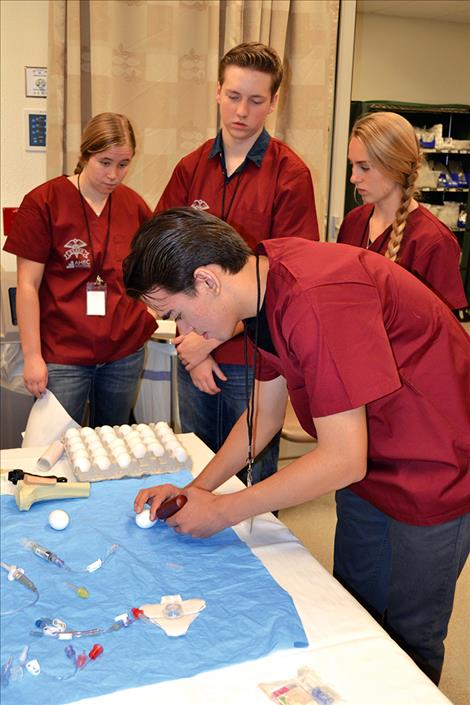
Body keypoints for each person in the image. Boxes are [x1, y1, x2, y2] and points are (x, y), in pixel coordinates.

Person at [125, 207, 470, 686]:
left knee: (410, 638)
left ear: (206, 281)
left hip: (434, 467)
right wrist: (191, 491)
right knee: (355, 613)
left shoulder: (314, 298)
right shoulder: (264, 288)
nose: (184, 331)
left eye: (176, 315)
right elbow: (263, 418)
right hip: (370, 467)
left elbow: (342, 459)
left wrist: (223, 510)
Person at [155, 42, 319, 484]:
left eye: (256, 100)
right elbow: (163, 261)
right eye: (233, 96)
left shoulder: (290, 175)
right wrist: (193, 342)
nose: (242, 111)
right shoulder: (190, 169)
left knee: (252, 480)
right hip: (193, 351)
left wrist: (215, 338)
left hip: (256, 360)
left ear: (275, 102)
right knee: (200, 467)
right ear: (217, 92)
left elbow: (286, 280)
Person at [3, 112, 156, 426]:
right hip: (63, 354)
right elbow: (28, 285)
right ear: (85, 155)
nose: (114, 174)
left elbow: (150, 269)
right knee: (57, 447)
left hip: (122, 352)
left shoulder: (134, 205)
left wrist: (150, 312)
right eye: (104, 162)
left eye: (123, 164)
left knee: (113, 446)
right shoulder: (44, 203)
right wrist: (32, 356)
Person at [337, 111, 467, 310]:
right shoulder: (353, 222)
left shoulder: (433, 242)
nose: (353, 178)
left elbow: (442, 331)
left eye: (364, 167)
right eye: (352, 165)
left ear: (395, 167)